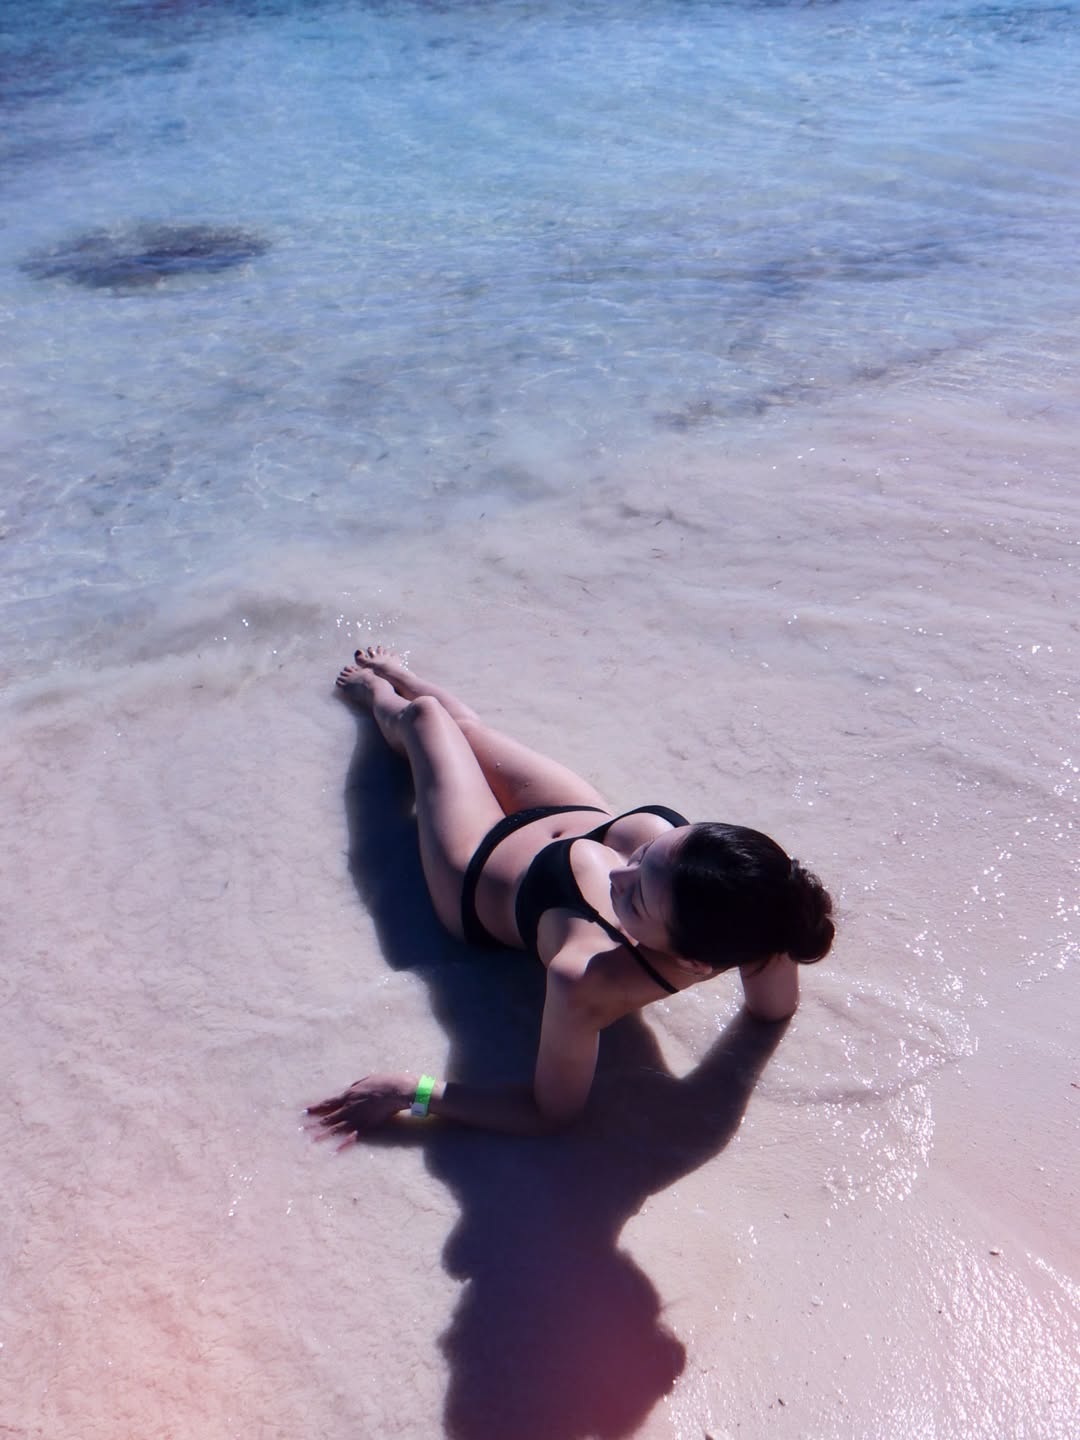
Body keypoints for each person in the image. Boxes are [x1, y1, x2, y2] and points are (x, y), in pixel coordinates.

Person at [308, 647, 834, 1142]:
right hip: (575, 818)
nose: (616, 876)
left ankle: (377, 695)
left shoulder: (584, 977)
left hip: (478, 869)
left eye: (635, 900)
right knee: (465, 729)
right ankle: (402, 674)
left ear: (696, 961)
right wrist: (646, 880)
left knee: (425, 719)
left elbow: (549, 1113)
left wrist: (412, 1093)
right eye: (646, 854)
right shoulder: (769, 902)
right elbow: (773, 1008)